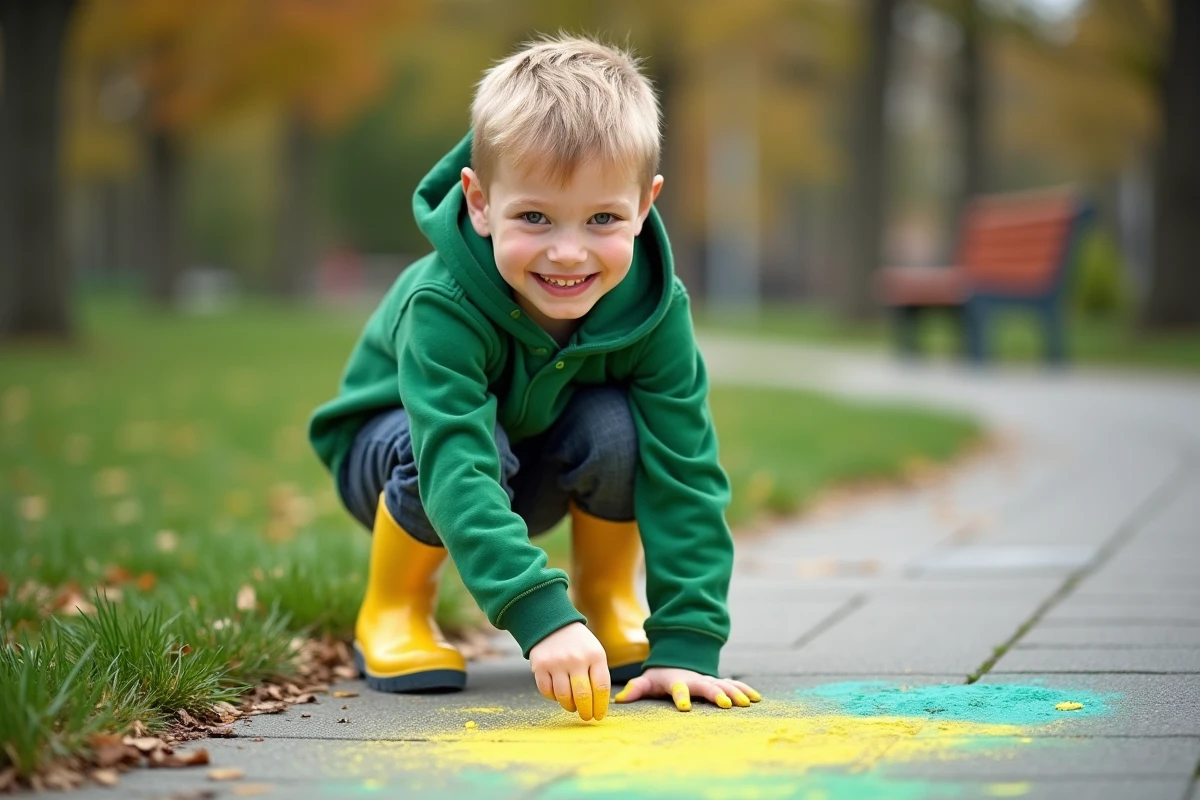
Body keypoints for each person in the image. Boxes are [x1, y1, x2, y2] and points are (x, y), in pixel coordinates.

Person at [308, 33, 761, 722]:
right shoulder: (443, 305)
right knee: (470, 442)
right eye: (535, 217)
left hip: (535, 461)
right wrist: (540, 617)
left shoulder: (655, 307)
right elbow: (455, 465)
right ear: (481, 201)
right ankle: (394, 608)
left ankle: (607, 596)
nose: (569, 252)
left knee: (620, 427)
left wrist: (688, 645)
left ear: (645, 205)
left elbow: (685, 469)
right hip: (401, 462)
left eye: (603, 218)